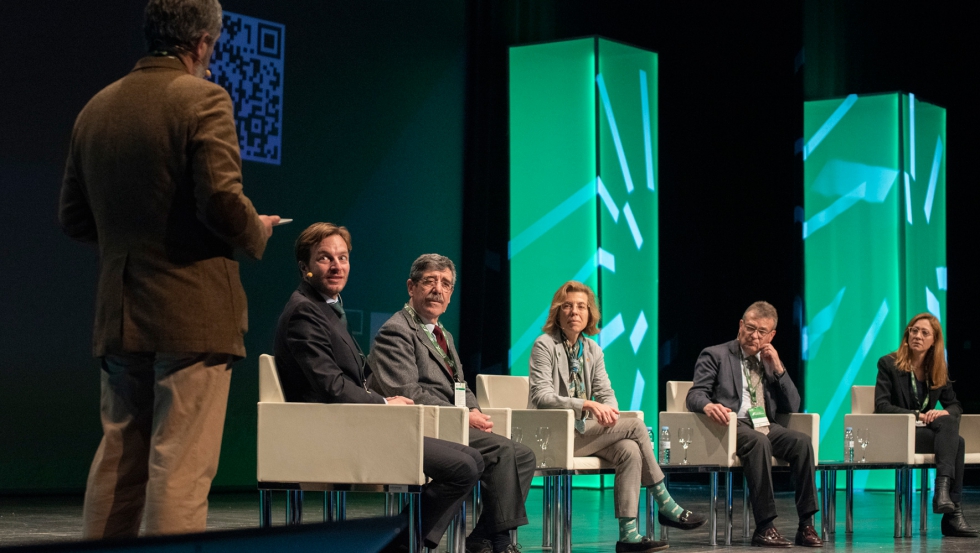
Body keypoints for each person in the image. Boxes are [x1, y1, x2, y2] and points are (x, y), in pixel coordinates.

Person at [58, 0, 279, 538]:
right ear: (203, 42)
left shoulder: (97, 107)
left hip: (121, 311)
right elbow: (223, 204)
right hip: (192, 311)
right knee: (179, 466)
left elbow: (73, 218)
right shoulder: (202, 98)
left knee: (119, 459)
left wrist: (133, 246)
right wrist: (258, 229)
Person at [273, 223, 484, 550]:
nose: (337, 266)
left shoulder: (326, 308)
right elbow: (331, 386)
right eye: (325, 258)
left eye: (342, 257)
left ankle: (397, 541)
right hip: (333, 431)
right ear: (305, 267)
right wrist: (384, 404)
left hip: (354, 423)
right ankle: (395, 543)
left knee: (473, 459)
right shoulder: (305, 311)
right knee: (461, 467)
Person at [367, 254, 535, 553]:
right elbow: (407, 392)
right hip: (421, 424)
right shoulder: (396, 331)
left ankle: (484, 536)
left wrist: (474, 410)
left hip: (449, 422)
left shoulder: (443, 335)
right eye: (430, 281)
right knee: (502, 450)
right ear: (411, 286)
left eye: (446, 284)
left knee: (523, 455)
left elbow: (460, 386)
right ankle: (500, 541)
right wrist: (461, 415)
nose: (438, 289)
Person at [528, 281, 706, 553]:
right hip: (551, 434)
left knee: (629, 449)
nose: (574, 311)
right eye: (567, 306)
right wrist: (587, 405)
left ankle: (628, 536)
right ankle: (666, 504)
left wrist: (608, 412)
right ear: (557, 312)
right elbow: (542, 396)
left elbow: (606, 393)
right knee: (635, 426)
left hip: (583, 432)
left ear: (589, 314)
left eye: (581, 306)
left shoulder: (592, 350)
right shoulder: (544, 345)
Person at [686, 301, 821, 547]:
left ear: (772, 335)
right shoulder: (715, 354)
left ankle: (806, 525)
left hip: (765, 424)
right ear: (740, 326)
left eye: (762, 332)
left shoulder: (769, 360)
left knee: (802, 443)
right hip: (731, 423)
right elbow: (694, 394)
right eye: (750, 328)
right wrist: (708, 406)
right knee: (758, 442)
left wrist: (778, 368)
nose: (754, 335)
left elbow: (793, 405)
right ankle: (765, 527)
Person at [874, 313, 977, 537]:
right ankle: (952, 512)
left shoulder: (938, 369)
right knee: (956, 442)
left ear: (934, 341)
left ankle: (943, 494)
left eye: (924, 333)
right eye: (914, 330)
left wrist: (944, 411)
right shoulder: (888, 364)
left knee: (952, 431)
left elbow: (956, 406)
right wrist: (918, 415)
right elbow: (881, 406)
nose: (917, 336)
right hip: (897, 433)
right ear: (907, 335)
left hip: (922, 436)